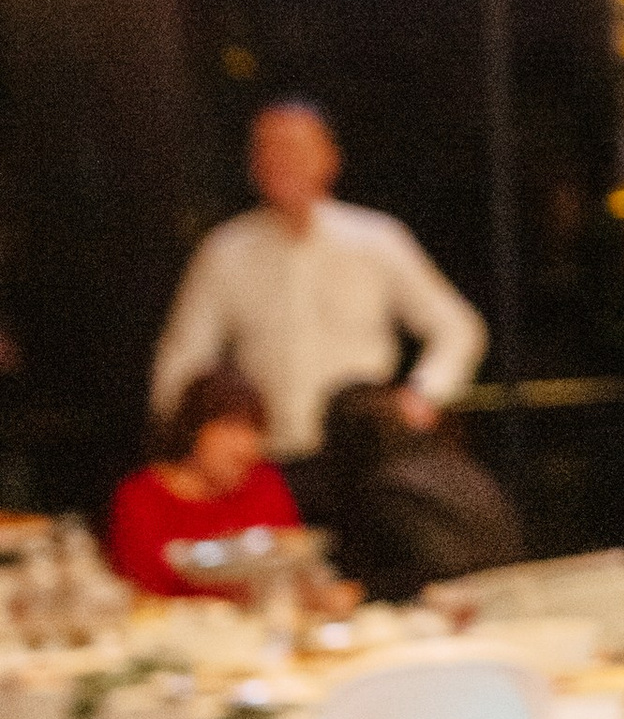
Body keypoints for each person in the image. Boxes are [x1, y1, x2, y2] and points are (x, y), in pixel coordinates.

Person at [150, 101, 485, 465]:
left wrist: (423, 395)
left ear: (330, 158)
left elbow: (458, 328)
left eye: (295, 147)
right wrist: (196, 437)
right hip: (265, 462)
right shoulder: (226, 250)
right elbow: (182, 360)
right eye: (267, 148)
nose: (280, 160)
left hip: (367, 455)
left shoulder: (377, 239)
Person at [309, 384, 523, 605]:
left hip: (465, 603)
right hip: (505, 591)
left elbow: (433, 570)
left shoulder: (387, 485)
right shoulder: (446, 461)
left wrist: (361, 590)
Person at [107, 369, 304, 598]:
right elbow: (139, 589)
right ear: (193, 430)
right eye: (230, 428)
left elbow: (293, 568)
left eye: (254, 430)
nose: (245, 447)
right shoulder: (141, 496)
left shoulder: (264, 483)